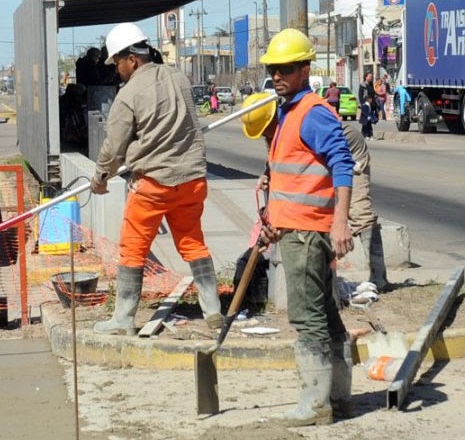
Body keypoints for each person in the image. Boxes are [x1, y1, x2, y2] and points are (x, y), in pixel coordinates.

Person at [90, 22, 222, 335]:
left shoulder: (128, 94)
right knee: (193, 242)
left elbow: (114, 146)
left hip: (152, 184)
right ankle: (213, 309)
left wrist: (100, 177)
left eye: (118, 62)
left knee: (133, 248)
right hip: (191, 180)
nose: (117, 69)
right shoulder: (178, 77)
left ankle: (123, 319)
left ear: (132, 59)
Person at [254, 28, 354, 426]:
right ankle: (339, 399)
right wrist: (273, 219)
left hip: (309, 235)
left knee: (307, 318)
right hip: (295, 229)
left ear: (305, 69)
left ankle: (315, 405)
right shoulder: (288, 112)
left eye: (286, 69)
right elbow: (293, 176)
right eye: (273, 69)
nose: (277, 76)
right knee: (326, 315)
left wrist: (340, 222)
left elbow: (342, 165)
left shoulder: (312, 112)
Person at [240, 93, 390, 300]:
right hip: (321, 158)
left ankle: (379, 277)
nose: (266, 136)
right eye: (263, 134)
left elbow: (337, 156)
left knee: (358, 212)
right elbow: (279, 160)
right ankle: (327, 286)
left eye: (266, 130)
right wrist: (267, 175)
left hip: (349, 150)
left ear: (273, 117)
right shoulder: (273, 133)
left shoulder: (300, 120)